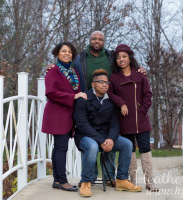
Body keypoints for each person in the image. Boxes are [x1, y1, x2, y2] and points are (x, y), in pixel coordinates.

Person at [47, 31, 147, 186]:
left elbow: (124, 64)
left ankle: (113, 178)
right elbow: (62, 70)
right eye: (94, 38)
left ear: (104, 42)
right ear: (89, 40)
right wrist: (53, 66)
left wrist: (138, 69)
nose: (97, 41)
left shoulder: (111, 57)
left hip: (106, 101)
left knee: (118, 141)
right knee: (89, 143)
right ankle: (88, 179)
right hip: (85, 101)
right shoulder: (79, 58)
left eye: (100, 39)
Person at [73, 69, 143, 197]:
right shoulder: (83, 99)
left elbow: (114, 124)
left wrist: (111, 139)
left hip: (106, 137)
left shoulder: (110, 101)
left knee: (127, 144)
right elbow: (82, 124)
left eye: (107, 82)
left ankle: (122, 179)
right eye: (101, 82)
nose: (105, 84)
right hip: (85, 137)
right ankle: (86, 182)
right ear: (93, 84)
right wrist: (101, 141)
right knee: (92, 146)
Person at [107, 44, 159, 192]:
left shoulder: (140, 75)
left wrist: (142, 111)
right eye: (118, 58)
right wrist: (121, 103)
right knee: (129, 151)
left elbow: (148, 95)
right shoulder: (114, 78)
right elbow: (110, 94)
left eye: (124, 56)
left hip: (141, 120)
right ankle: (133, 180)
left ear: (129, 58)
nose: (121, 60)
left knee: (145, 150)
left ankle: (150, 181)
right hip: (124, 119)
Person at [41, 42, 87, 192]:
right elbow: (51, 93)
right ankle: (62, 180)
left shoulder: (73, 72)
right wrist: (73, 97)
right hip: (57, 114)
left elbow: (78, 91)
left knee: (59, 148)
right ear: (57, 53)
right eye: (63, 51)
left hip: (68, 115)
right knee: (61, 148)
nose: (67, 54)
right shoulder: (53, 71)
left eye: (69, 52)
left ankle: (57, 180)